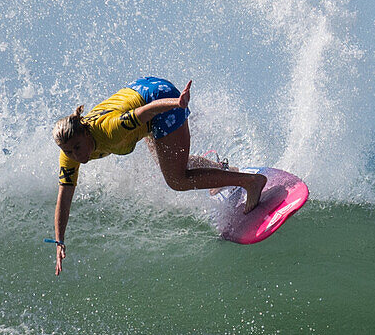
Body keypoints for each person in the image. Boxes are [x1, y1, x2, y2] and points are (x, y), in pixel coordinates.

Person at [51, 76, 266, 275]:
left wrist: (177, 103)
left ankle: (250, 182)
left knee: (177, 180)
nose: (75, 155)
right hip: (140, 91)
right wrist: (60, 240)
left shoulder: (110, 130)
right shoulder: (69, 156)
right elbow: (65, 197)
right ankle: (224, 171)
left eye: (77, 147)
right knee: (169, 161)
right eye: (69, 151)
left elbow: (147, 111)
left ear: (86, 132)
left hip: (158, 101)